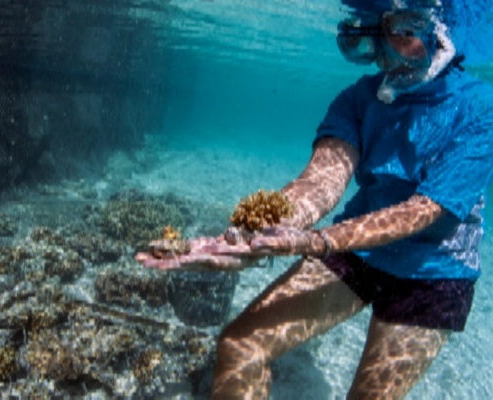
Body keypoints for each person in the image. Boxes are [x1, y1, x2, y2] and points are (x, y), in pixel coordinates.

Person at [137, 1, 493, 398]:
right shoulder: (357, 99)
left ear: (438, 36)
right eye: (378, 37)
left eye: (402, 35)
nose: (385, 56)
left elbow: (425, 210)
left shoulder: (481, 107)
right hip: (358, 252)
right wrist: (248, 236)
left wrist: (319, 242)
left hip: (435, 274)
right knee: (241, 346)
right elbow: (320, 181)